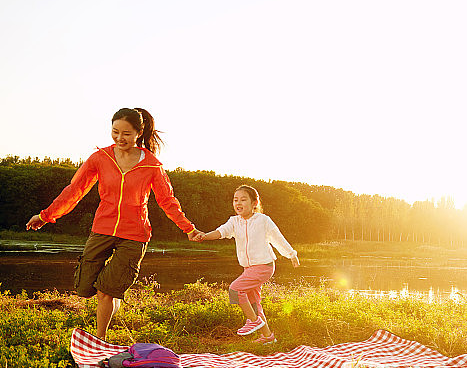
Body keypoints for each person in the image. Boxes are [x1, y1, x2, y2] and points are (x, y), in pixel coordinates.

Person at [26, 108, 201, 340]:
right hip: (102, 229)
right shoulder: (101, 158)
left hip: (134, 234)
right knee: (84, 287)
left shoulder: (152, 165)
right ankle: (113, 298)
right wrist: (45, 216)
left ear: (139, 133)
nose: (120, 138)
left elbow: (167, 201)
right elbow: (75, 190)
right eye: (115, 131)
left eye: (126, 134)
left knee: (105, 291)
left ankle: (100, 338)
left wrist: (188, 228)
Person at [195, 185, 300, 343]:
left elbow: (277, 237)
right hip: (248, 269)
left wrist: (291, 254)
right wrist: (204, 236)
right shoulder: (234, 221)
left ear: (254, 203)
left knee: (235, 289)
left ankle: (253, 321)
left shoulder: (263, 220)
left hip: (264, 266)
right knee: (253, 303)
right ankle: (268, 337)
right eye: (235, 200)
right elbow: (221, 232)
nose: (238, 203)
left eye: (243, 200)